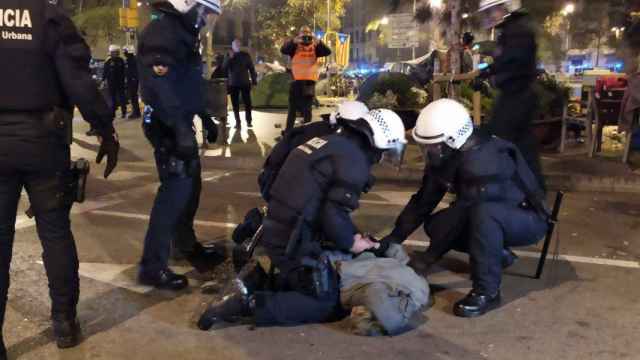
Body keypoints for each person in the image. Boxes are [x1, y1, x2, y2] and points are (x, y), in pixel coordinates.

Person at [198, 109, 408, 330]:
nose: (384, 156)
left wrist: (351, 234)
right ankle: (247, 304)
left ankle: (255, 281)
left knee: (311, 282)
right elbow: (332, 214)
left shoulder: (329, 142)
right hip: (293, 241)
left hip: (277, 229)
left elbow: (321, 205)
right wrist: (353, 242)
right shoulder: (353, 160)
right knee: (325, 302)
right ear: (378, 141)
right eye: (386, 150)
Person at [0, 0, 120, 353]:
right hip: (43, 141)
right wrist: (104, 128)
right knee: (55, 233)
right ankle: (65, 323)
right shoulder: (48, 16)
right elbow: (78, 80)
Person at [380, 99, 549, 318]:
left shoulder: (481, 161)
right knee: (437, 225)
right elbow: (424, 201)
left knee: (483, 215)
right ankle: (498, 254)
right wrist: (393, 238)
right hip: (493, 213)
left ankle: (487, 291)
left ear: (454, 138)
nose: (428, 150)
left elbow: (465, 212)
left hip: (527, 218)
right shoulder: (452, 152)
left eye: (433, 145)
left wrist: (429, 258)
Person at [137, 0, 225, 291]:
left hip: (179, 122)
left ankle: (184, 246)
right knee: (174, 192)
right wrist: (178, 128)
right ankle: (152, 267)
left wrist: (203, 117)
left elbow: (187, 83)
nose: (206, 19)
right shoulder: (162, 32)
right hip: (166, 123)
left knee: (190, 187)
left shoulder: (181, 32)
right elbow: (160, 87)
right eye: (205, 12)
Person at [475, 0, 544, 188]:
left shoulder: (517, 30)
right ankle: (533, 190)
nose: (490, 16)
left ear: (506, 6)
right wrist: (489, 70)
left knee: (499, 139)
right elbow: (508, 58)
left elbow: (514, 59)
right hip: (518, 94)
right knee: (522, 145)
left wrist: (493, 71)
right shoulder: (513, 29)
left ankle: (495, 188)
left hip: (517, 95)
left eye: (492, 11)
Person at [281, 26, 332, 133]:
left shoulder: (315, 46)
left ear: (311, 34)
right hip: (296, 81)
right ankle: (289, 132)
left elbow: (327, 51)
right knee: (292, 109)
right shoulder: (295, 46)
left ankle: (306, 132)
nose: (306, 35)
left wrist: (317, 41)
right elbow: (283, 50)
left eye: (308, 33)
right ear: (299, 34)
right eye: (303, 33)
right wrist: (293, 41)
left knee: (307, 109)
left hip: (309, 82)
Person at [224, 39, 258, 128]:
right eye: (235, 44)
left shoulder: (245, 55)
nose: (237, 45)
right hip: (233, 84)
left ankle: (249, 120)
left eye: (238, 44)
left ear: (240, 45)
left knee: (248, 103)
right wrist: (229, 58)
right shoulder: (229, 55)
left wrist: (254, 81)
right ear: (232, 46)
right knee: (235, 104)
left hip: (245, 82)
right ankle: (237, 122)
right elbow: (224, 68)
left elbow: (251, 68)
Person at [103, 45, 127, 119]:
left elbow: (124, 71)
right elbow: (105, 72)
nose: (115, 53)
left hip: (120, 83)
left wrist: (125, 79)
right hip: (111, 83)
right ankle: (112, 113)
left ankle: (124, 112)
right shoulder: (108, 61)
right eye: (113, 52)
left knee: (122, 97)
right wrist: (103, 80)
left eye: (116, 52)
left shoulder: (121, 61)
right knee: (112, 98)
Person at [123, 46, 141, 119]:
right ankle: (136, 112)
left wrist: (133, 78)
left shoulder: (133, 60)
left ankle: (136, 113)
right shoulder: (129, 59)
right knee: (132, 97)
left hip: (133, 81)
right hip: (130, 80)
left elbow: (135, 71)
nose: (124, 53)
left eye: (125, 51)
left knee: (133, 96)